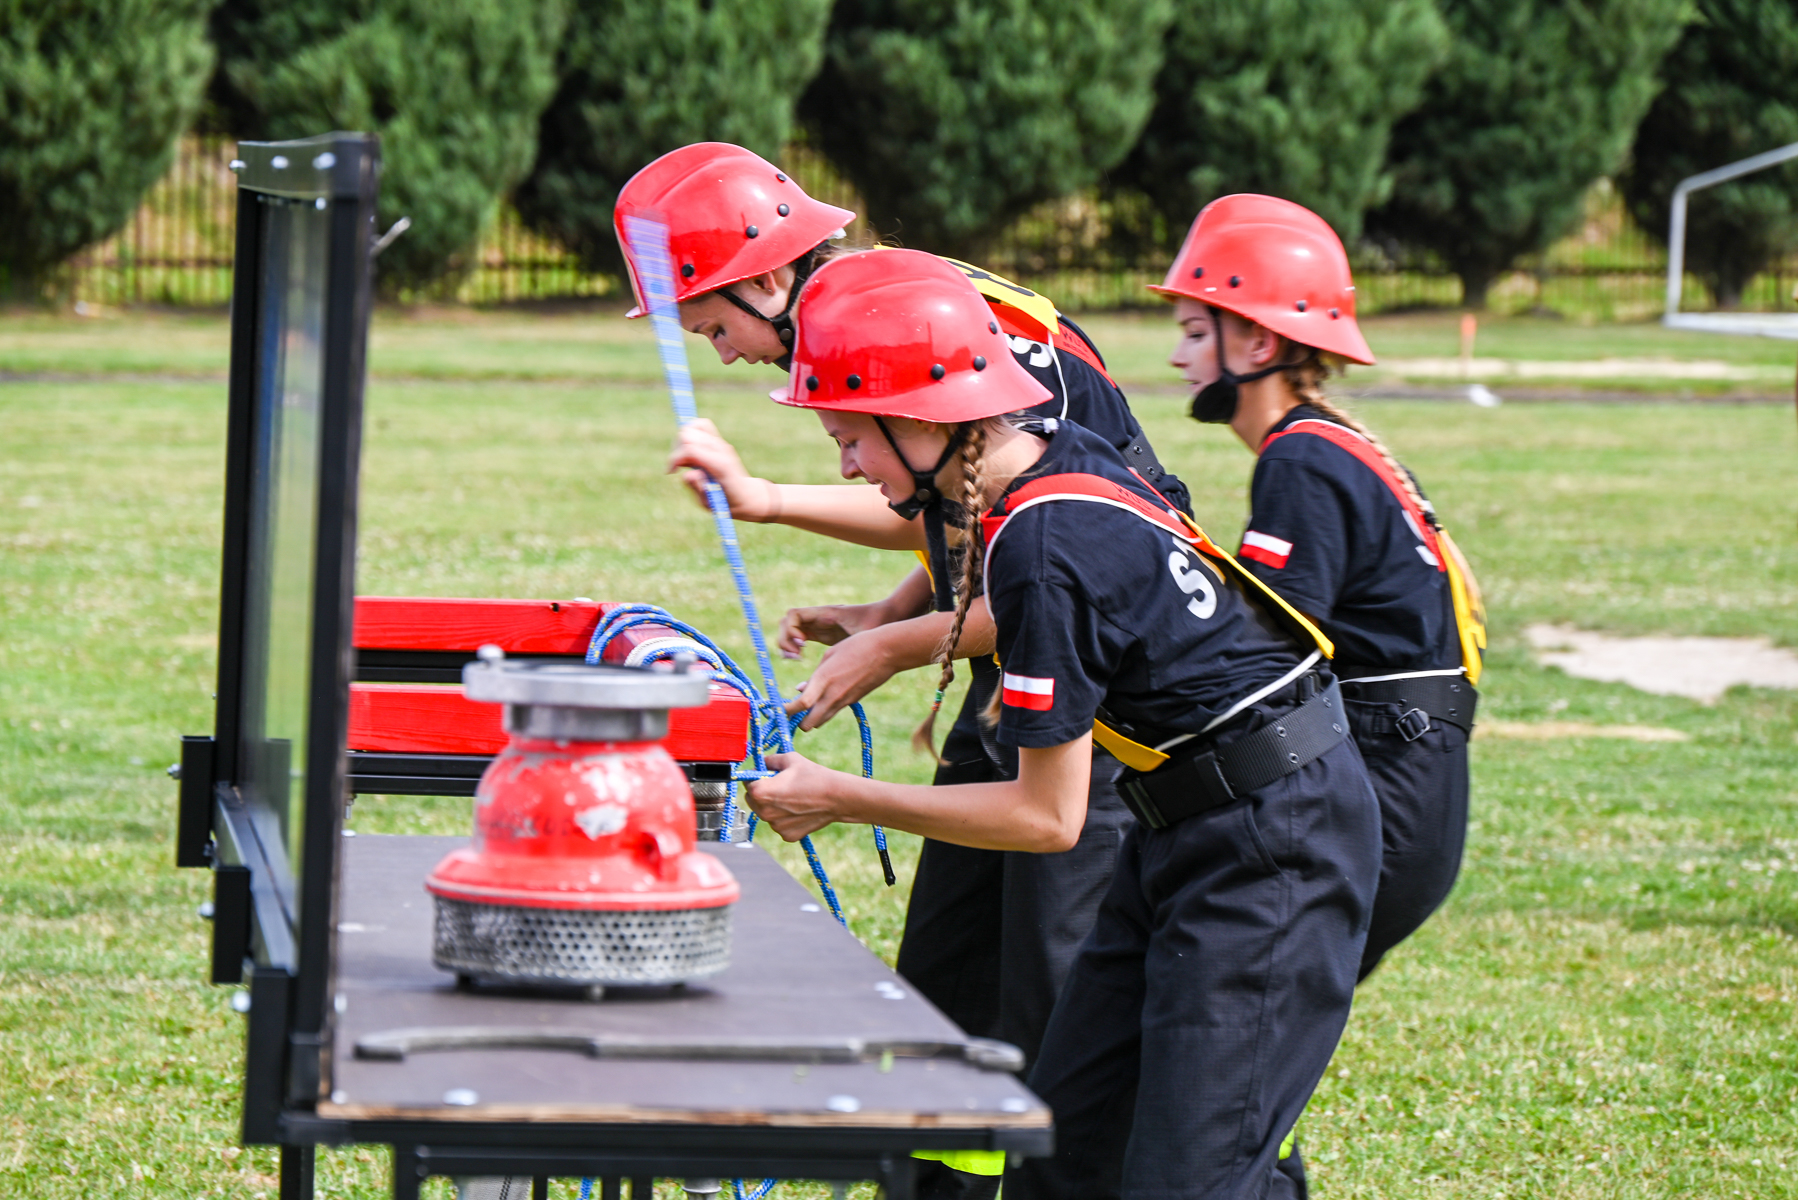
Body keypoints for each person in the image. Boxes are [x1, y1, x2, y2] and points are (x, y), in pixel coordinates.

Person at [742, 248, 1383, 1200]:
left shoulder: (1044, 548)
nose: (845, 465)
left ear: (924, 421)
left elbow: (1047, 819)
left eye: (850, 438)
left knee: (1187, 1183)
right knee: (1065, 1151)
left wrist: (840, 797)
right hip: (1180, 827)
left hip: (1275, 837)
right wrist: (887, 620)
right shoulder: (1042, 463)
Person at [616, 144, 1189, 1198]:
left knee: (1054, 991)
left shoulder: (921, 317)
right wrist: (881, 607)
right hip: (1012, 666)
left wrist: (894, 643)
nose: (723, 354)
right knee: (948, 971)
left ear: (764, 277)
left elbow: (1062, 572)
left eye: (713, 327)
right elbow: (954, 507)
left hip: (1097, 701)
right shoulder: (870, 309)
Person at [1154, 194, 1485, 1195]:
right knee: (1245, 1054)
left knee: (1233, 1056)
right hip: (1409, 771)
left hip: (1382, 782)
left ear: (1255, 340)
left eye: (1194, 330)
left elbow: (1261, 656)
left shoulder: (1300, 459)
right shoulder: (1331, 443)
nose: (1177, 355)